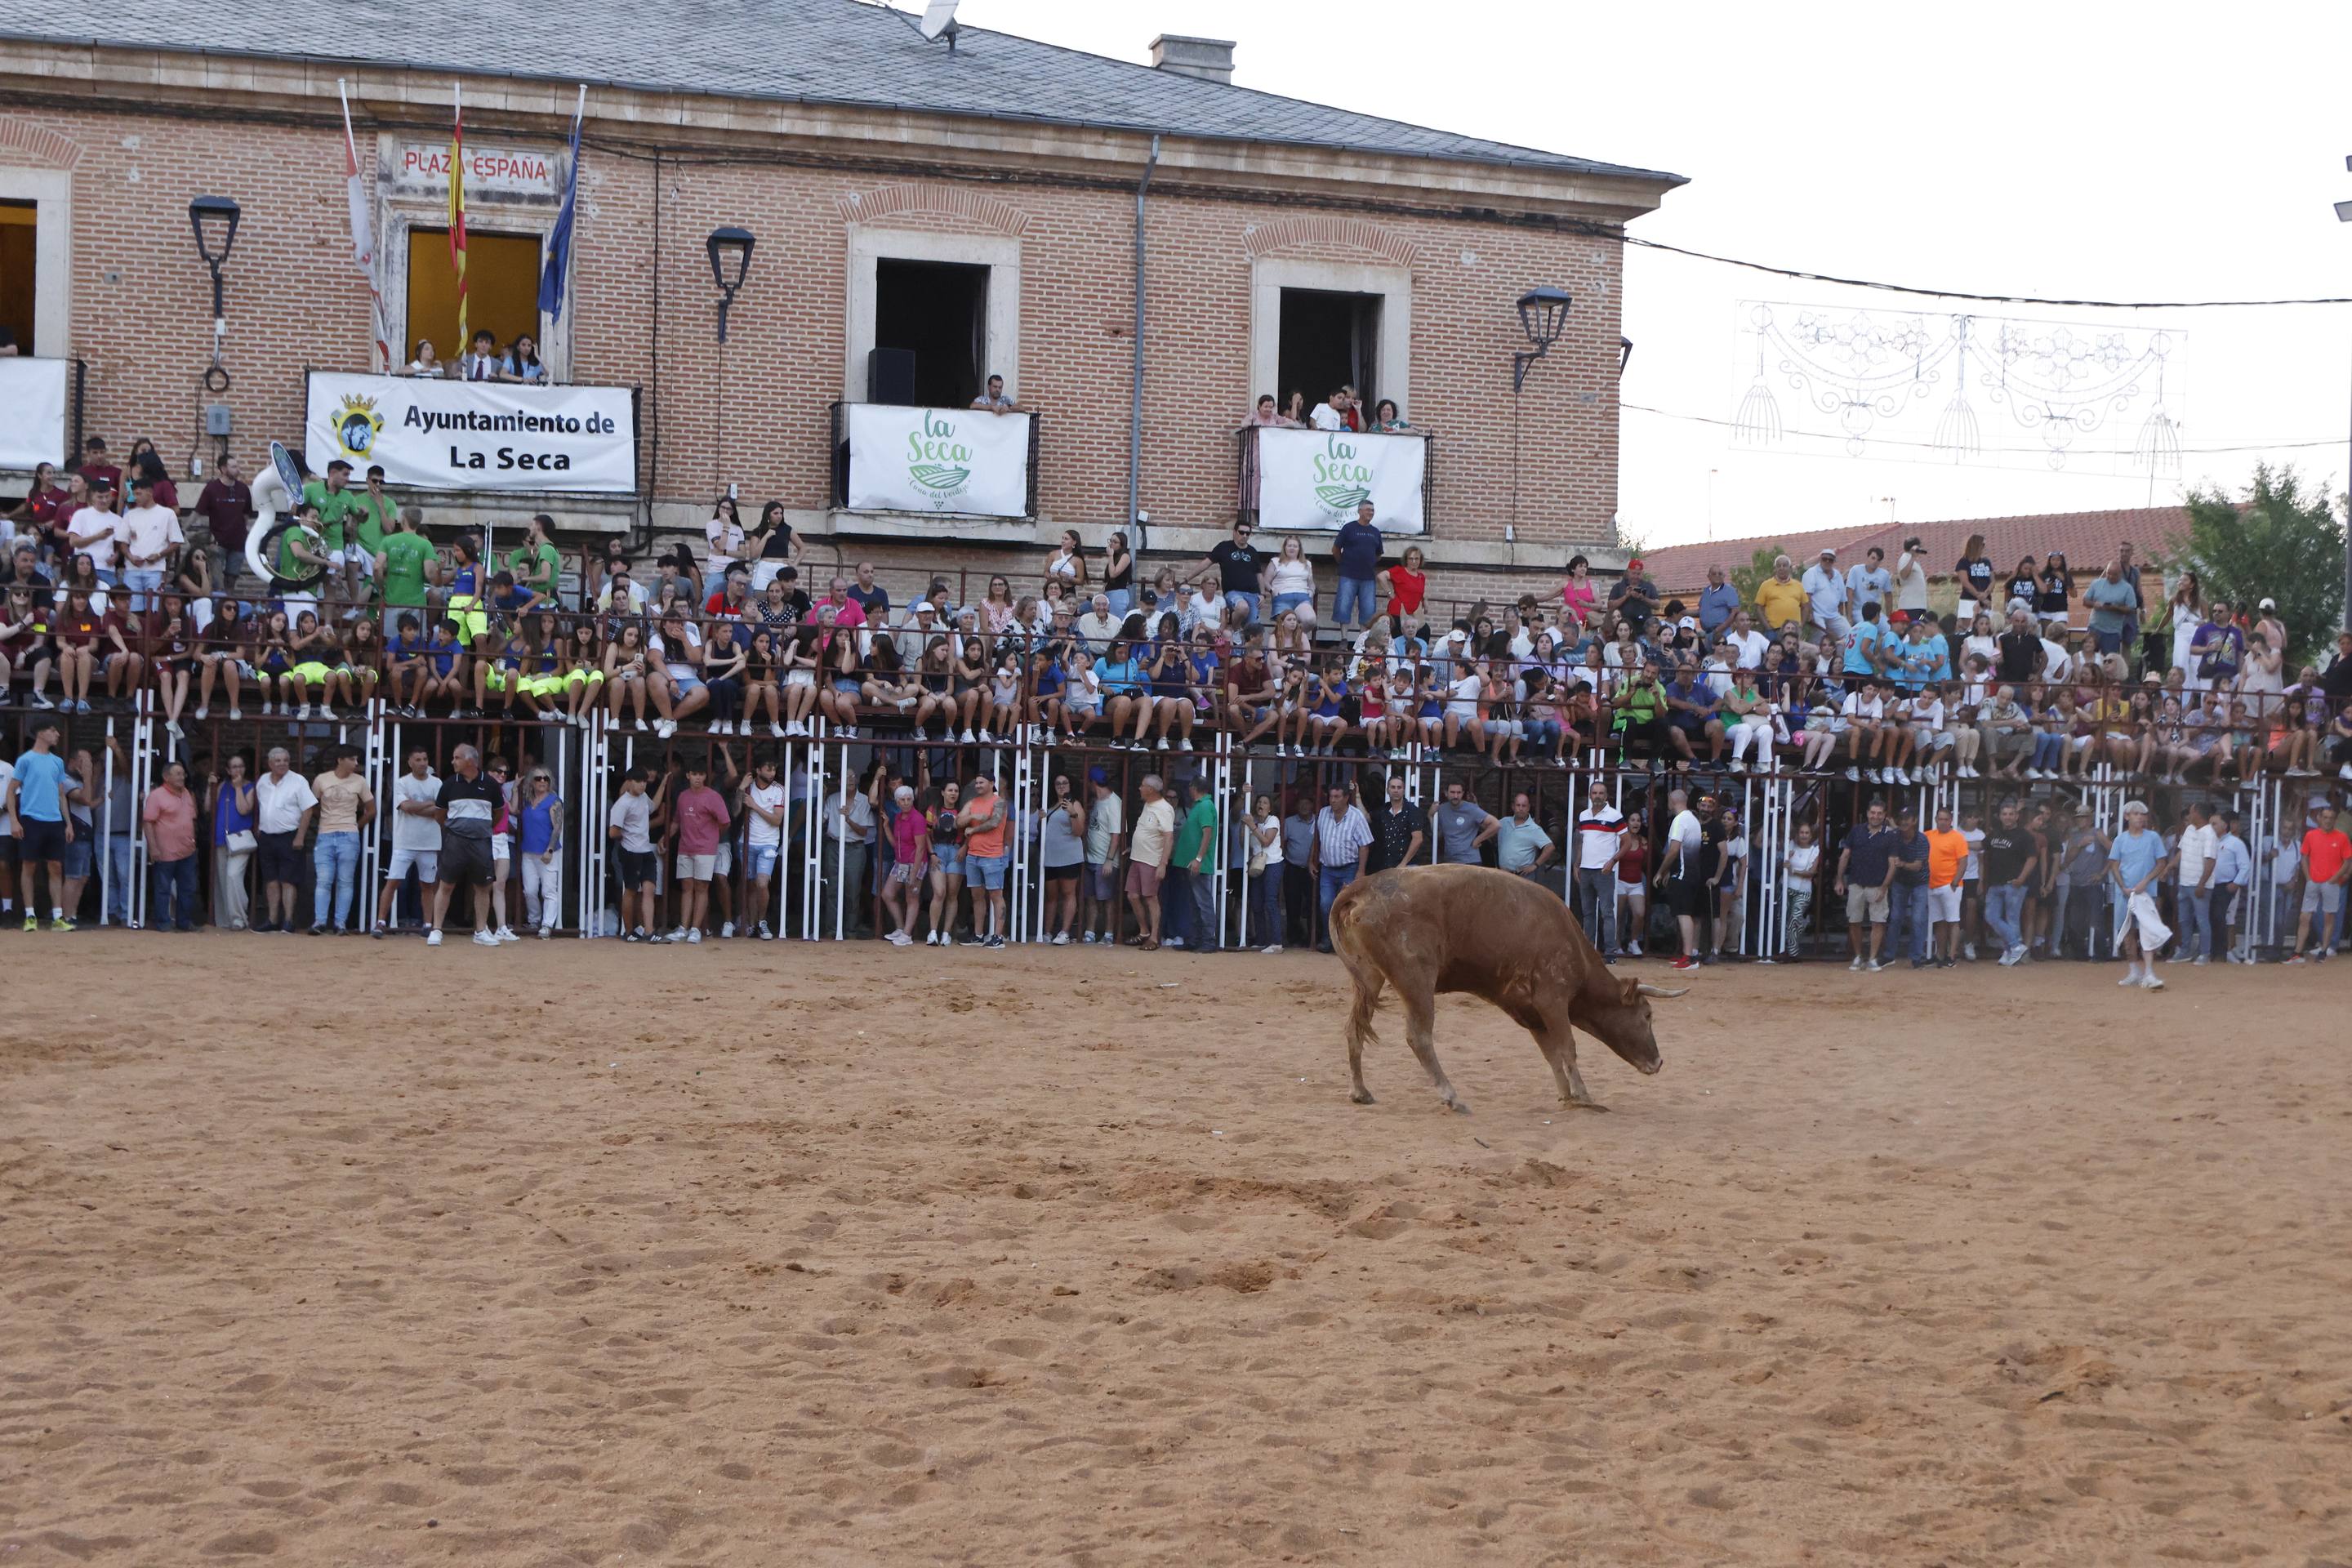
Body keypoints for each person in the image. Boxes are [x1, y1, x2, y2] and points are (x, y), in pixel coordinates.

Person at [428, 744, 503, 949]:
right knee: (446, 884)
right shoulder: (449, 784)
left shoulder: (490, 784)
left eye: (457, 758)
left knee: (483, 887)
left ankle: (481, 931)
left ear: (470, 760)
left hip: (481, 842)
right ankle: (436, 930)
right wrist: (456, 829)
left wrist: (481, 829)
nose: (453, 762)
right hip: (455, 842)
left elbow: (498, 813)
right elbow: (439, 814)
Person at [7, 716, 73, 931]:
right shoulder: (25, 760)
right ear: (41, 733)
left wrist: (68, 823)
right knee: (29, 866)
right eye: (53, 730)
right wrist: (14, 820)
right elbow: (11, 790)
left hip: (54, 821)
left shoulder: (57, 762)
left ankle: (58, 917)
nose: (57, 734)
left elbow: (61, 794)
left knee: (56, 867)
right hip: (31, 819)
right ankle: (30, 915)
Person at [370, 749, 440, 937]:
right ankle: (381, 922)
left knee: (427, 885)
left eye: (425, 759)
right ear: (410, 762)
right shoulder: (402, 782)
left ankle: (428, 924)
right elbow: (406, 806)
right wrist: (428, 804)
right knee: (393, 882)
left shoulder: (437, 783)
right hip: (405, 842)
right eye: (418, 759)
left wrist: (415, 807)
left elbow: (439, 810)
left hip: (429, 843)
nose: (422, 763)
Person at [307, 746, 376, 935]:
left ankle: (339, 923)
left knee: (343, 881)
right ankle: (321, 921)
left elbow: (372, 810)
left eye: (356, 760)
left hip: (345, 834)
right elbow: (311, 805)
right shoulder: (322, 779)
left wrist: (354, 826)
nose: (356, 763)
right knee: (325, 880)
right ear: (340, 760)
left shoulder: (360, 781)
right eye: (352, 759)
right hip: (328, 834)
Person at [251, 746, 318, 935]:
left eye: (286, 760)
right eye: (278, 760)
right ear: (270, 763)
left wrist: (300, 836)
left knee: (288, 880)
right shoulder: (263, 781)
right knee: (271, 880)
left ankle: (288, 921)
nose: (282, 764)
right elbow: (261, 806)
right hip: (267, 836)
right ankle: (273, 920)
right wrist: (259, 827)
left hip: (289, 836)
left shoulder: (298, 781)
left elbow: (308, 810)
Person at [663, 760, 730, 945]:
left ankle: (695, 929)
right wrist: (666, 838)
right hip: (685, 847)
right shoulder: (683, 797)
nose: (698, 778)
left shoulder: (713, 797)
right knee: (687, 887)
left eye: (701, 775)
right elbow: (676, 821)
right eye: (694, 774)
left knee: (701, 887)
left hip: (705, 849)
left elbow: (725, 822)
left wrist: (712, 837)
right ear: (688, 776)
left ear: (705, 776)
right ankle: (684, 928)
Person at [2109, 799, 2174, 988]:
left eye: (2142, 814)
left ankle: (2149, 972)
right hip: (2125, 893)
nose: (2140, 818)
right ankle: (2134, 971)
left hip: (2146, 893)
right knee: (2127, 932)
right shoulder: (2120, 840)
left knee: (2147, 931)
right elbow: (2114, 865)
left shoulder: (2153, 838)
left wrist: (2145, 882)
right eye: (2136, 814)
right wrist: (2123, 887)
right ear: (2127, 817)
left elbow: (2161, 863)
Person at [1834, 796, 1895, 971]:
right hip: (1857, 883)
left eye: (1879, 813)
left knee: (1878, 922)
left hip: (1878, 885)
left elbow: (1892, 864)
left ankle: (1872, 958)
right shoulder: (1856, 831)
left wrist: (1884, 887)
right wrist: (1839, 879)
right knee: (1854, 920)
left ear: (1884, 815)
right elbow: (1845, 856)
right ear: (1867, 813)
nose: (1875, 816)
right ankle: (1858, 956)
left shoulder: (1890, 835)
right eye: (1873, 813)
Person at [1312, 782, 1371, 953]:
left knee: (1348, 907)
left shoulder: (1356, 817)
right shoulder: (1323, 814)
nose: (1333, 800)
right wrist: (1311, 860)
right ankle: (1328, 939)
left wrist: (1361, 871)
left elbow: (1364, 846)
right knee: (1326, 904)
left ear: (1346, 798)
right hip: (1327, 868)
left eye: (1337, 797)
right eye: (1331, 796)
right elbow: (1316, 840)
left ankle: (1346, 942)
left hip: (1349, 868)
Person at [2286, 803, 2349, 964]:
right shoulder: (2311, 835)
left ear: (2335, 820)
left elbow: (2347, 861)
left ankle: (2323, 951)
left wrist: (2334, 879)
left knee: (2329, 917)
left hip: (2331, 883)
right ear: (2319, 818)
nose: (2328, 821)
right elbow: (2304, 857)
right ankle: (2298, 953)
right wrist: (2308, 877)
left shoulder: (2342, 837)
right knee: (2304, 917)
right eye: (2325, 817)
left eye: (2331, 818)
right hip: (2314, 881)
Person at [1980, 797, 2038, 966]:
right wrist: (1961, 842)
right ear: (2000, 816)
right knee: (1991, 917)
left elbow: (2032, 859)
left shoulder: (2024, 836)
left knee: (2012, 918)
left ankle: (2010, 951)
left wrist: (2021, 878)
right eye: (2005, 814)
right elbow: (1982, 846)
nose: (2008, 817)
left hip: (2014, 883)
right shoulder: (1995, 833)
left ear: (2017, 816)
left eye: (2011, 814)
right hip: (1995, 883)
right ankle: (2015, 946)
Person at [1125, 774, 1177, 951]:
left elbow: (1169, 838)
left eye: (1142, 786)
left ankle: (1154, 937)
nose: (1140, 788)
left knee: (1151, 898)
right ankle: (1144, 931)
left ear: (1150, 790)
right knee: (1132, 895)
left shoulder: (1164, 809)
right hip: (1138, 857)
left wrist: (1163, 864)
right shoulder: (1149, 804)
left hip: (1151, 860)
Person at [1169, 776, 1220, 952]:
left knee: (1202, 902)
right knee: (1194, 903)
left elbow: (1207, 833)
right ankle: (1196, 939)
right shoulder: (1201, 806)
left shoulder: (1205, 806)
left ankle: (1207, 940)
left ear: (1194, 788)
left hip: (1198, 864)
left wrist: (1198, 858)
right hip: (1191, 863)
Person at [608, 768, 659, 942]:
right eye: (638, 781)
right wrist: (629, 835)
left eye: (644, 781)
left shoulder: (644, 797)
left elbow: (653, 807)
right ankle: (629, 931)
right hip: (630, 851)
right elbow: (613, 832)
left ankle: (649, 931)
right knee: (631, 890)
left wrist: (663, 784)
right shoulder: (622, 804)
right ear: (629, 782)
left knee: (649, 889)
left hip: (645, 850)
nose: (642, 785)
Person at [1571, 795, 1624, 960]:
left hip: (1603, 871)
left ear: (1606, 796)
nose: (1598, 796)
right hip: (1586, 870)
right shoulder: (1584, 815)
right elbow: (1582, 842)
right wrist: (1577, 864)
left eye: (1601, 793)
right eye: (1594, 793)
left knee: (1606, 913)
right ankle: (1589, 952)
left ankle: (1610, 953)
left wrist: (1613, 861)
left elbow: (1627, 842)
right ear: (1590, 795)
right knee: (1588, 913)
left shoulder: (1614, 815)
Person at [2167, 800, 2218, 966]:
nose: (2189, 815)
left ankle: (2205, 953)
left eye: (2191, 812)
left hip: (2199, 886)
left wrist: (2202, 884)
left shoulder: (2209, 834)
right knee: (2184, 919)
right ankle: (2185, 950)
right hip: (2184, 883)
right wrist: (2170, 866)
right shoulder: (2189, 829)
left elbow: (2211, 861)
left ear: (2197, 814)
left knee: (2202, 920)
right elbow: (2181, 852)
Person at [1922, 804, 1967, 968]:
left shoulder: (1958, 838)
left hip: (1950, 885)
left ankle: (1951, 956)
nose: (1943, 822)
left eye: (1946, 819)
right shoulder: (1928, 835)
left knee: (1953, 921)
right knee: (1939, 922)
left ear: (1951, 821)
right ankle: (1940, 955)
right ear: (1936, 820)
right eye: (1940, 819)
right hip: (1932, 885)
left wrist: (1955, 882)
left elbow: (1963, 861)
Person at [1197, 519, 1265, 628]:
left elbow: (1259, 574)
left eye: (1247, 533)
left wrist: (1263, 594)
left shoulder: (1253, 551)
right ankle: (1236, 630)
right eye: (1241, 532)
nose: (1244, 536)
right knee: (1243, 607)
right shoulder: (1224, 547)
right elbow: (1205, 564)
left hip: (1253, 594)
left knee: (1253, 629)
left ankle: (1241, 636)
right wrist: (1187, 578)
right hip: (1233, 593)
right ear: (1234, 532)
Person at [1332, 502, 1383, 631]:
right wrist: (1343, 563)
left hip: (1368, 577)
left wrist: (1369, 562)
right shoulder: (1349, 528)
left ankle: (1362, 639)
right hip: (1348, 575)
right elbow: (1336, 549)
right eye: (1368, 510)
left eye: (1372, 510)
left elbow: (1379, 554)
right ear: (1360, 511)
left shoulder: (1376, 532)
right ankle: (1344, 638)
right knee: (1343, 607)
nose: (1371, 512)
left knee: (1368, 610)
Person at [1365, 773, 1426, 875]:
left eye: (1399, 787)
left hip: (1407, 867)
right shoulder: (1383, 810)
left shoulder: (1413, 811)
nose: (1396, 790)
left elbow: (1418, 839)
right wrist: (1357, 796)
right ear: (1387, 790)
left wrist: (1403, 864)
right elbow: (1366, 818)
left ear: (1404, 790)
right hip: (1386, 866)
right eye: (1393, 787)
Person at [1495, 792, 1555, 882]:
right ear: (1513, 807)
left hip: (1523, 877)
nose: (1521, 808)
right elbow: (1487, 826)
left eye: (1524, 806)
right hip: (1503, 875)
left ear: (1528, 808)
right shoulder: (1503, 822)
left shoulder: (1534, 828)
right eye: (1518, 805)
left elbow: (1550, 847)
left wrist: (1535, 865)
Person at [1801, 547, 1851, 639]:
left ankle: (1842, 649)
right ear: (1820, 559)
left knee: (1849, 633)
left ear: (1834, 561)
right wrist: (1810, 614)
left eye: (1830, 560)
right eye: (1825, 559)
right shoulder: (1811, 573)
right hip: (1817, 614)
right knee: (1822, 636)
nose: (1827, 561)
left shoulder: (1838, 575)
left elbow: (1842, 600)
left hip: (1834, 615)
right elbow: (1807, 596)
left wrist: (1841, 615)